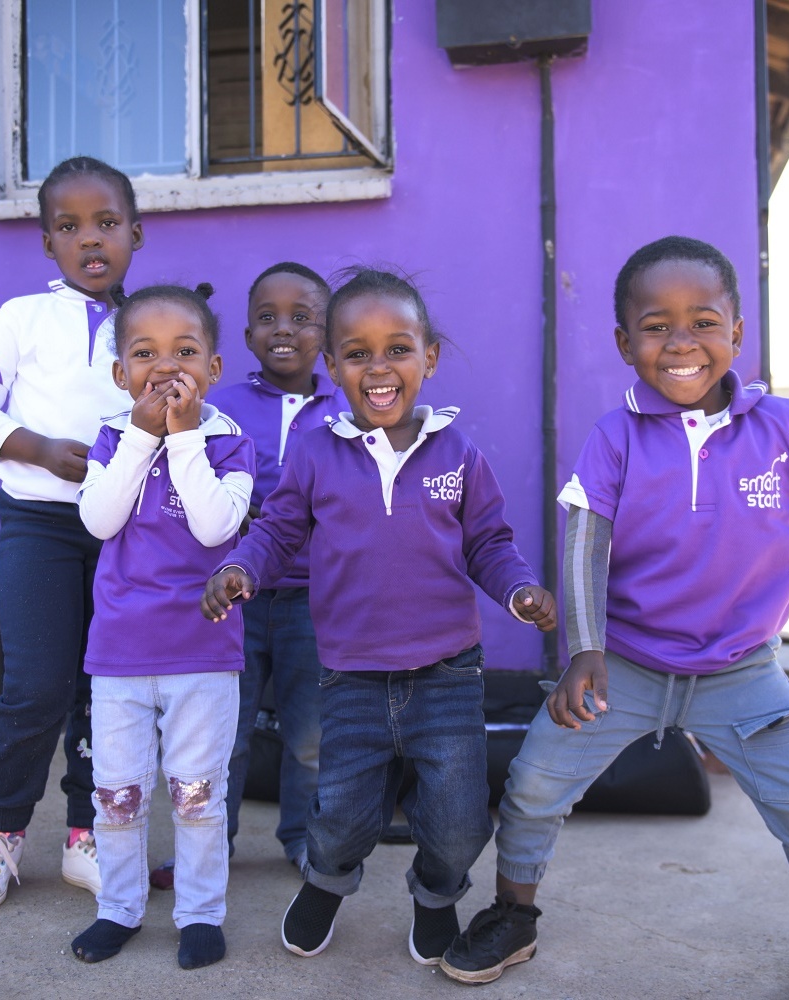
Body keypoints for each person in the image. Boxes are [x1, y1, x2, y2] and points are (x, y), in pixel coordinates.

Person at [439, 236, 789, 999]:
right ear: (625, 343)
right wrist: (584, 650)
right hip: (628, 666)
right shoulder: (615, 437)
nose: (681, 343)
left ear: (737, 333)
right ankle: (513, 915)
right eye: (656, 326)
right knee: (534, 783)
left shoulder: (783, 428)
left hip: (742, 668)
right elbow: (585, 538)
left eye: (704, 321)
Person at [202, 268, 558, 967]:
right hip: (352, 677)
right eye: (357, 353)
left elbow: (489, 542)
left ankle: (434, 893)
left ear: (428, 356)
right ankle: (327, 882)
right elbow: (277, 532)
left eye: (398, 347)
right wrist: (241, 568)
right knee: (338, 817)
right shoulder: (315, 452)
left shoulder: (459, 454)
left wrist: (518, 590)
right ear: (332, 366)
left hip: (447, 675)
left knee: (458, 824)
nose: (379, 366)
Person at [0, 156, 143, 913]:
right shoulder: (21, 318)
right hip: (39, 526)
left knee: (108, 690)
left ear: (136, 233)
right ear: (47, 244)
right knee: (36, 686)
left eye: (106, 224)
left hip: (127, 530)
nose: (90, 240)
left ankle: (87, 834)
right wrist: (38, 451)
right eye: (69, 227)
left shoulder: (150, 321)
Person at [69, 283, 254, 970]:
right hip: (119, 654)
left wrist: (182, 439)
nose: (165, 366)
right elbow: (99, 520)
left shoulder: (229, 444)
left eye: (185, 351)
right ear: (121, 374)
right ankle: (118, 908)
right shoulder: (114, 439)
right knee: (116, 795)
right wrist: (145, 437)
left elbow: (214, 525)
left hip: (202, 653)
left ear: (213, 369)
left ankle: (201, 914)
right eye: (144, 353)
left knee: (198, 794)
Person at [208, 261, 339, 872]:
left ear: (330, 333)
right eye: (266, 318)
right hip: (235, 600)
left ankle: (302, 838)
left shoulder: (349, 412)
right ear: (245, 337)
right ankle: (210, 842)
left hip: (316, 603)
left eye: (301, 317)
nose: (282, 329)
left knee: (310, 738)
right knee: (225, 739)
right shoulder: (220, 408)